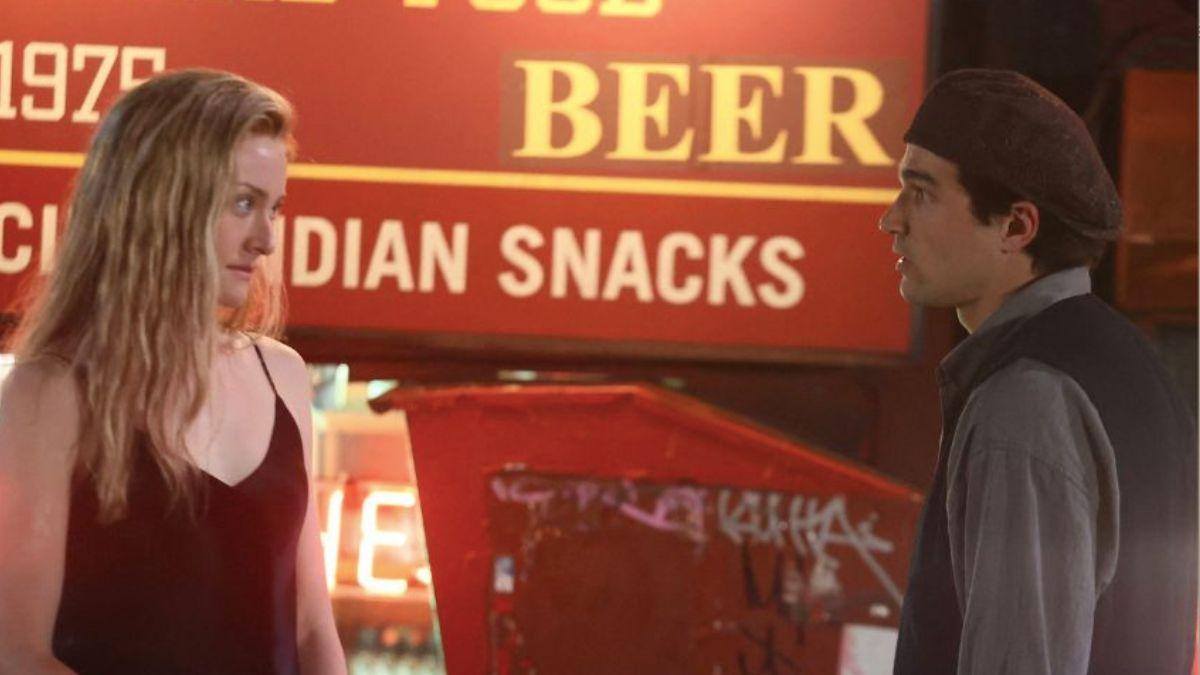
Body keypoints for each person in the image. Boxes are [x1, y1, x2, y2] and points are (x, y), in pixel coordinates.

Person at [0, 69, 347, 674]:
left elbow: (313, 628)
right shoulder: (49, 391)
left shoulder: (282, 374)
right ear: (163, 202)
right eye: (244, 203)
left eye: (275, 208)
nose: (266, 239)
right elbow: (15, 652)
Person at [879, 69, 1197, 675]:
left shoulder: (1024, 401)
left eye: (921, 193)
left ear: (1016, 226)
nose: (892, 220)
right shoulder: (1133, 369)